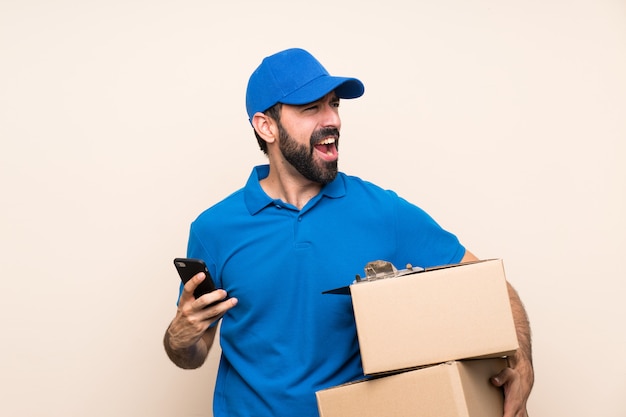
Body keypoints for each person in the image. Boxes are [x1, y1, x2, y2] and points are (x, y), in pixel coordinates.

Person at [163, 47, 534, 417]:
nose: (333, 120)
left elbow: (492, 289)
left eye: (335, 104)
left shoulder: (382, 211)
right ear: (266, 126)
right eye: (312, 108)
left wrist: (523, 364)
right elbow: (193, 353)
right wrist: (180, 337)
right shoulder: (214, 229)